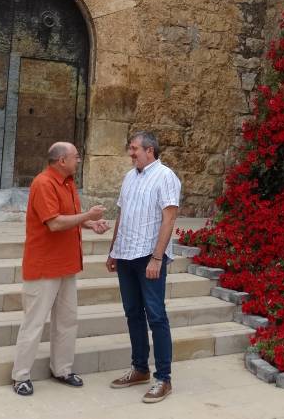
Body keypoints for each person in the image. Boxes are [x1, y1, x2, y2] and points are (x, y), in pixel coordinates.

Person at [11, 141, 109, 396]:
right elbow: (54, 223)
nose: (79, 160)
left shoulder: (67, 182)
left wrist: (90, 225)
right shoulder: (43, 183)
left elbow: (67, 218)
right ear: (61, 161)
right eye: (76, 157)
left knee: (67, 320)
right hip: (44, 266)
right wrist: (88, 216)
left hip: (66, 265)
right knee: (34, 323)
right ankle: (21, 376)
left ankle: (62, 369)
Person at [107, 131, 181, 404]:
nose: (131, 153)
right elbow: (122, 214)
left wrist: (157, 258)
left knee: (156, 316)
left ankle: (164, 378)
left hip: (149, 258)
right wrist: (113, 250)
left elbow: (169, 219)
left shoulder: (166, 176)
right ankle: (140, 368)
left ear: (150, 150)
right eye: (130, 149)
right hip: (125, 255)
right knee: (132, 313)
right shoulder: (129, 177)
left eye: (134, 148)